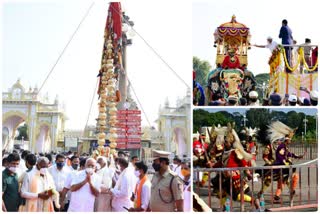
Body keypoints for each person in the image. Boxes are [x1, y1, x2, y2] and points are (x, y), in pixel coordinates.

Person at [273, 136, 304, 201]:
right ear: (286, 140)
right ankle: (291, 191)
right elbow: (280, 156)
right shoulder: (282, 147)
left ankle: (278, 194)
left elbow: (289, 154)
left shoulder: (284, 147)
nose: (290, 141)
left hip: (283, 166)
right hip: (280, 166)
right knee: (293, 177)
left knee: (284, 180)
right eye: (289, 140)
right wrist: (285, 163)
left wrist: (298, 156)